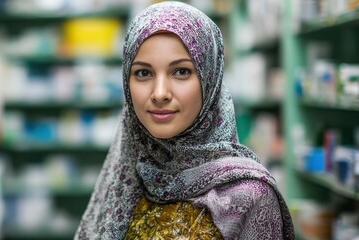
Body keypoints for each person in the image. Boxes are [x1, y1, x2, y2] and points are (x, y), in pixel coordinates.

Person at [75, 1, 294, 239]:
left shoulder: (250, 195)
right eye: (143, 73)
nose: (159, 93)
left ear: (210, 80)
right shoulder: (126, 178)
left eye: (181, 72)